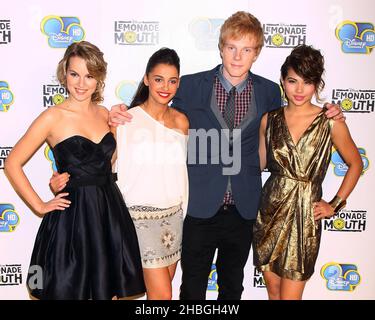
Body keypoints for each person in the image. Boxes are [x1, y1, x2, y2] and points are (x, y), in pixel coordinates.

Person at [109, 11, 344, 300]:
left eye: (246, 50)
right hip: (199, 205)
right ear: (221, 47)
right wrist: (120, 112)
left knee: (232, 288)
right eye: (231, 47)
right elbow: (157, 112)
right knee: (192, 288)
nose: (237, 56)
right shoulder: (190, 86)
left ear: (256, 53)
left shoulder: (270, 92)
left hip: (244, 208)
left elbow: (296, 114)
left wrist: (333, 113)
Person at [4, 41, 145, 300]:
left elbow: (108, 161)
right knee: (68, 290)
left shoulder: (104, 113)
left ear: (99, 78)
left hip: (107, 211)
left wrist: (115, 129)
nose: (81, 83)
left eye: (89, 76)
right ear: (64, 74)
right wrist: (40, 205)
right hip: (73, 218)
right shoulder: (52, 117)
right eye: (75, 74)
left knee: (108, 292)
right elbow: (12, 162)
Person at [50, 48, 189, 300]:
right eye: (158, 79)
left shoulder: (182, 122)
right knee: (163, 297)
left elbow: (179, 171)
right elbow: (96, 159)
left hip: (174, 217)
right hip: (139, 218)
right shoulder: (125, 119)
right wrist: (59, 175)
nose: (165, 86)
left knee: (158, 295)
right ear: (146, 79)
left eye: (172, 80)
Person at [253, 44, 363, 300]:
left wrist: (335, 204)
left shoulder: (330, 121)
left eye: (307, 82)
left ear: (317, 85)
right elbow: (258, 164)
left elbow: (356, 163)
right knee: (274, 292)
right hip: (270, 211)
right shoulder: (269, 120)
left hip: (304, 216)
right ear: (283, 81)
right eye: (293, 81)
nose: (299, 90)